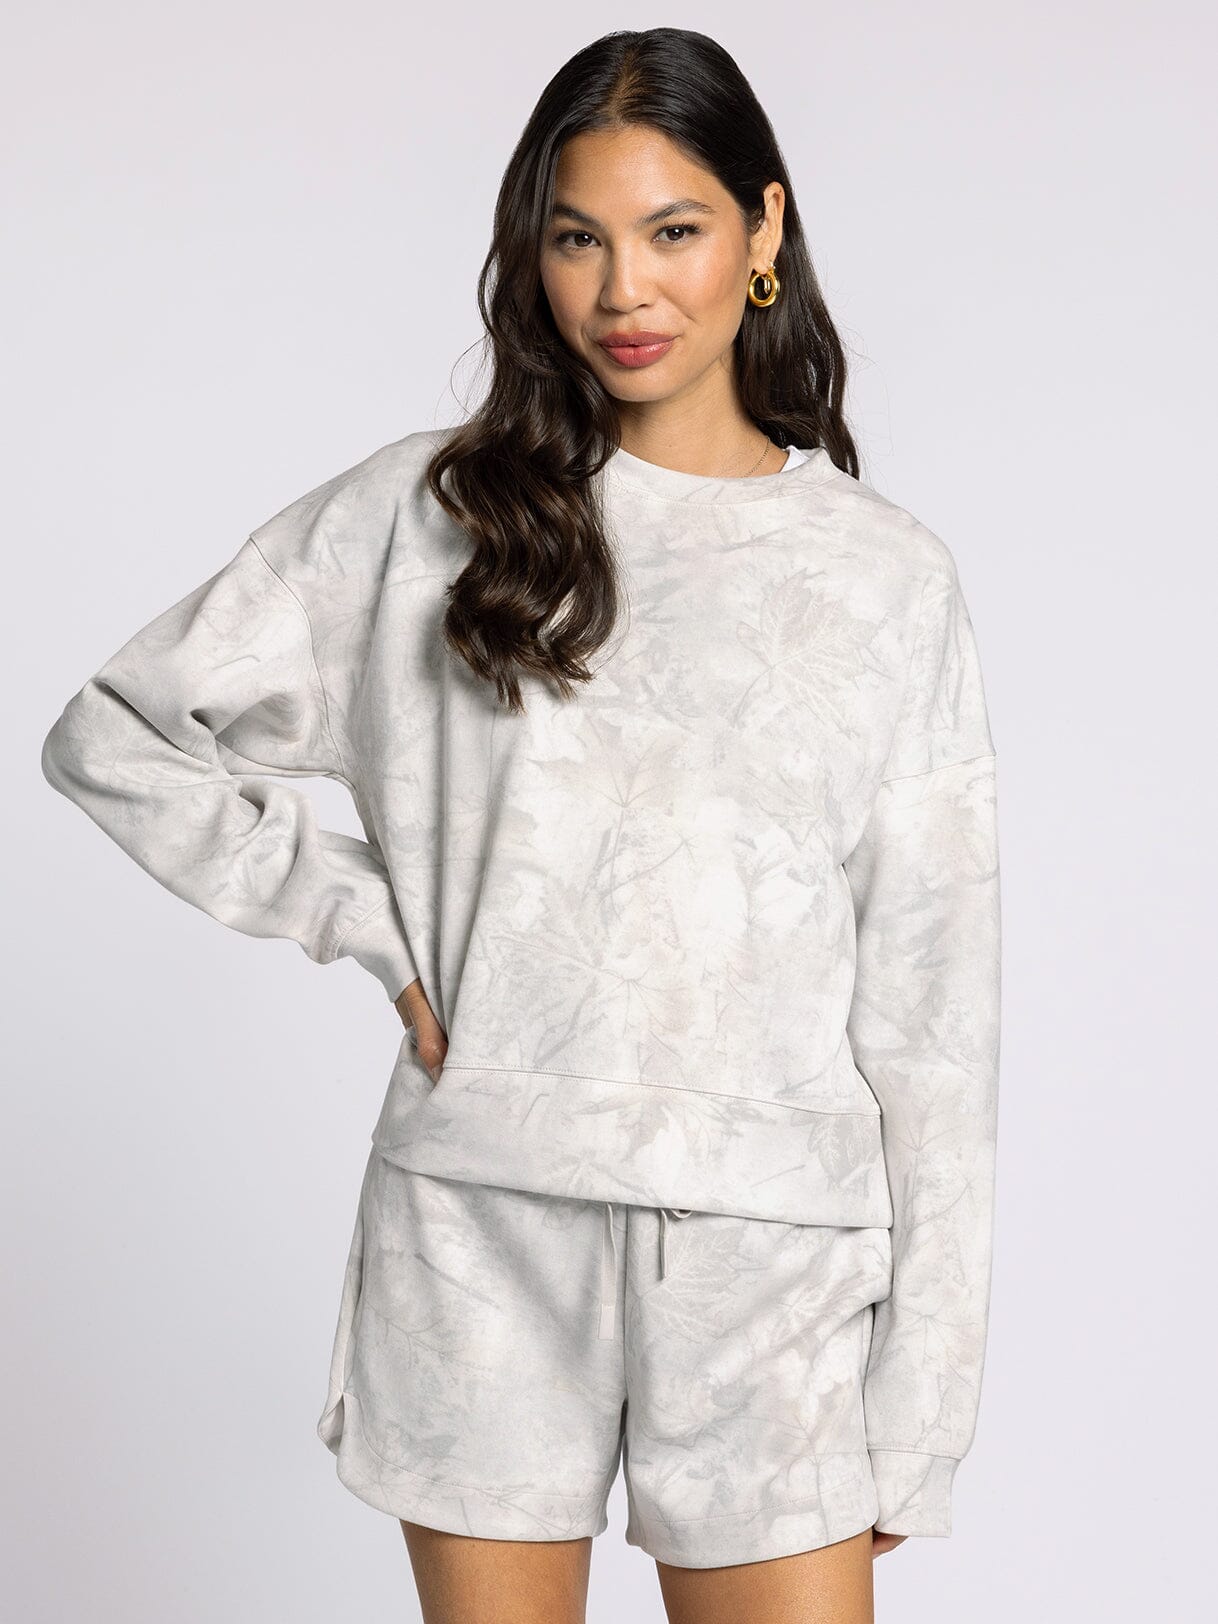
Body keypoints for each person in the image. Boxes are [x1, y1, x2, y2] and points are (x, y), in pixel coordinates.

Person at [40, 25, 1001, 1624]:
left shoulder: (881, 577)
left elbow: (934, 1011)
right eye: (576, 239)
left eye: (672, 231)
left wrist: (924, 1407)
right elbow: (120, 734)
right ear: (531, 257)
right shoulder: (431, 519)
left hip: (770, 1247)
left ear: (762, 229)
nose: (623, 290)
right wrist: (366, 920)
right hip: (480, 1216)